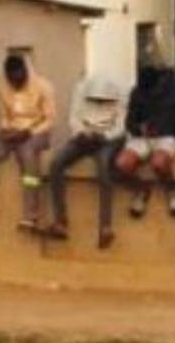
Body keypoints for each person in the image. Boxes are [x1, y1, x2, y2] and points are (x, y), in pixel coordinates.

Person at [44, 73, 126, 249]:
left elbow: (120, 127)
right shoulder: (80, 91)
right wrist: (81, 132)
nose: (99, 102)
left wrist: (104, 136)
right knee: (56, 164)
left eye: (103, 100)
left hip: (107, 139)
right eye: (95, 99)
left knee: (104, 169)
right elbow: (74, 118)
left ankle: (106, 227)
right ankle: (61, 221)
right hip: (83, 137)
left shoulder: (120, 95)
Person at [0, 54, 55, 230]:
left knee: (27, 153)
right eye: (12, 80)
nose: (16, 83)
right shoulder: (1, 88)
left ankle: (30, 215)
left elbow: (49, 120)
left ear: (25, 71)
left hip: (37, 131)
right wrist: (6, 130)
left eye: (19, 79)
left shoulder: (43, 86)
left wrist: (29, 132)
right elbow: (4, 116)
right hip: (13, 132)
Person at [115, 64, 175, 219]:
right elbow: (130, 120)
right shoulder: (138, 92)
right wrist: (138, 129)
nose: (150, 94)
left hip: (170, 137)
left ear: (160, 82)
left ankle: (172, 191)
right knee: (122, 164)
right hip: (143, 138)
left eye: (153, 91)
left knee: (159, 163)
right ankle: (141, 189)